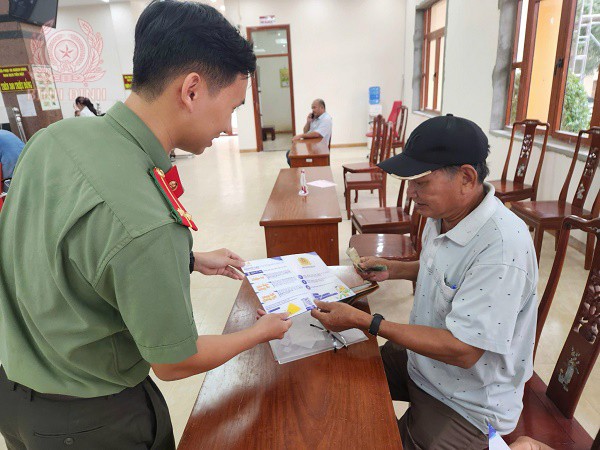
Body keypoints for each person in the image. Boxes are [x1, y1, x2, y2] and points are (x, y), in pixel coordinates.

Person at [0, 2, 290, 449]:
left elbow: (68, 248)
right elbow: (175, 362)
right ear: (192, 90)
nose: (229, 128)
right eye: (230, 107)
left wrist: (187, 259)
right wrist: (260, 332)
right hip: (92, 422)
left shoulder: (52, 139)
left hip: (15, 397)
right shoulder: (146, 220)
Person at [311, 114, 538, 449]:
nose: (411, 192)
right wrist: (396, 269)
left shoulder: (502, 248)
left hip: (466, 400)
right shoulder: (446, 214)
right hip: (424, 362)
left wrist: (367, 321)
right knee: (338, 375)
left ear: (466, 177)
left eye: (421, 182)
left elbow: (463, 350)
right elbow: (446, 270)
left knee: (376, 434)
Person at [286, 98, 332, 165]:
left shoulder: (326, 119)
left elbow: (317, 134)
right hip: (311, 145)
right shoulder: (315, 118)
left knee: (292, 155)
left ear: (322, 107)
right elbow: (305, 131)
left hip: (319, 149)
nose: (312, 110)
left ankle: (300, 171)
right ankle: (298, 171)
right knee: (290, 153)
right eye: (312, 108)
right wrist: (308, 122)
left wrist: (300, 136)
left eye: (314, 107)